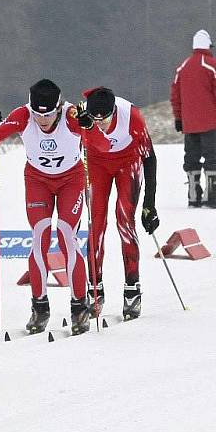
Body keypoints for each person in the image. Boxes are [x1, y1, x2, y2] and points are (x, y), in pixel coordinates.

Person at [0, 79, 110, 335]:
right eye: (38, 114)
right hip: (37, 180)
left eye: (48, 114)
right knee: (40, 236)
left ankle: (79, 306)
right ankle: (40, 308)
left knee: (66, 236)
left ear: (58, 108)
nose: (42, 120)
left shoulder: (73, 115)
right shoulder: (23, 116)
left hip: (70, 181)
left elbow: (103, 145)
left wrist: (90, 127)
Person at [82, 87, 159, 321]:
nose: (99, 125)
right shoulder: (85, 118)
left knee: (124, 219)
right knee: (96, 223)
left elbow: (150, 158)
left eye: (103, 119)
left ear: (113, 112)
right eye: (94, 120)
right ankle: (95, 289)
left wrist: (149, 205)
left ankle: (132, 289)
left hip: (128, 162)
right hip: (97, 163)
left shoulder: (131, 116)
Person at [170, 29, 216, 207]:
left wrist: (179, 118)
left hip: (189, 125)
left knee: (191, 158)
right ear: (207, 46)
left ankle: (193, 194)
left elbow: (175, 96)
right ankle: (212, 196)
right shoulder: (211, 65)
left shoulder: (182, 67)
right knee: (212, 159)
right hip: (211, 123)